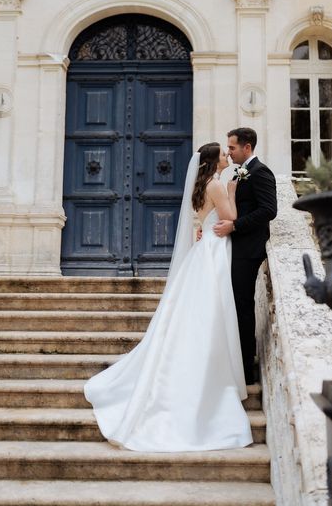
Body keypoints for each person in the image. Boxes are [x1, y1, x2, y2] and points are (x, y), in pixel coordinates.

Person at [84, 142, 253, 452]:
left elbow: (203, 221)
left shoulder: (200, 186)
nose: (228, 156)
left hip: (204, 249)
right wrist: (231, 191)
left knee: (199, 312)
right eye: (224, 154)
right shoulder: (216, 185)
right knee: (213, 312)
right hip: (215, 250)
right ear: (214, 161)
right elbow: (229, 219)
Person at [214, 128, 277, 385]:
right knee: (236, 306)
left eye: (232, 148)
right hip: (235, 249)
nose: (229, 152)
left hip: (248, 250)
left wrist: (236, 227)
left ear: (247, 147)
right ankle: (236, 364)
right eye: (227, 148)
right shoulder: (239, 173)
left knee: (242, 307)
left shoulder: (261, 173)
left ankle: (245, 368)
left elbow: (269, 210)